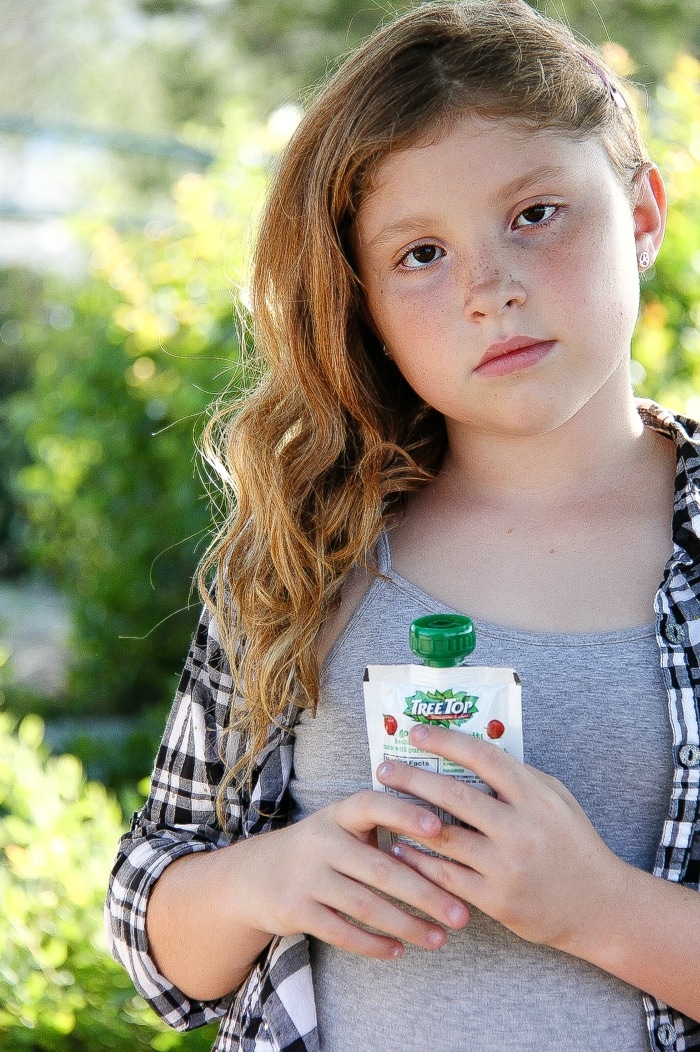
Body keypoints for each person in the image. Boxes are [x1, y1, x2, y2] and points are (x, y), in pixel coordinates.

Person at [105, 2, 700, 1050]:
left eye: (533, 214)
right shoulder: (302, 554)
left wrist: (602, 909)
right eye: (420, 252)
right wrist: (266, 878)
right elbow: (161, 947)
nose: (488, 289)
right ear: (364, 305)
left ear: (643, 213)